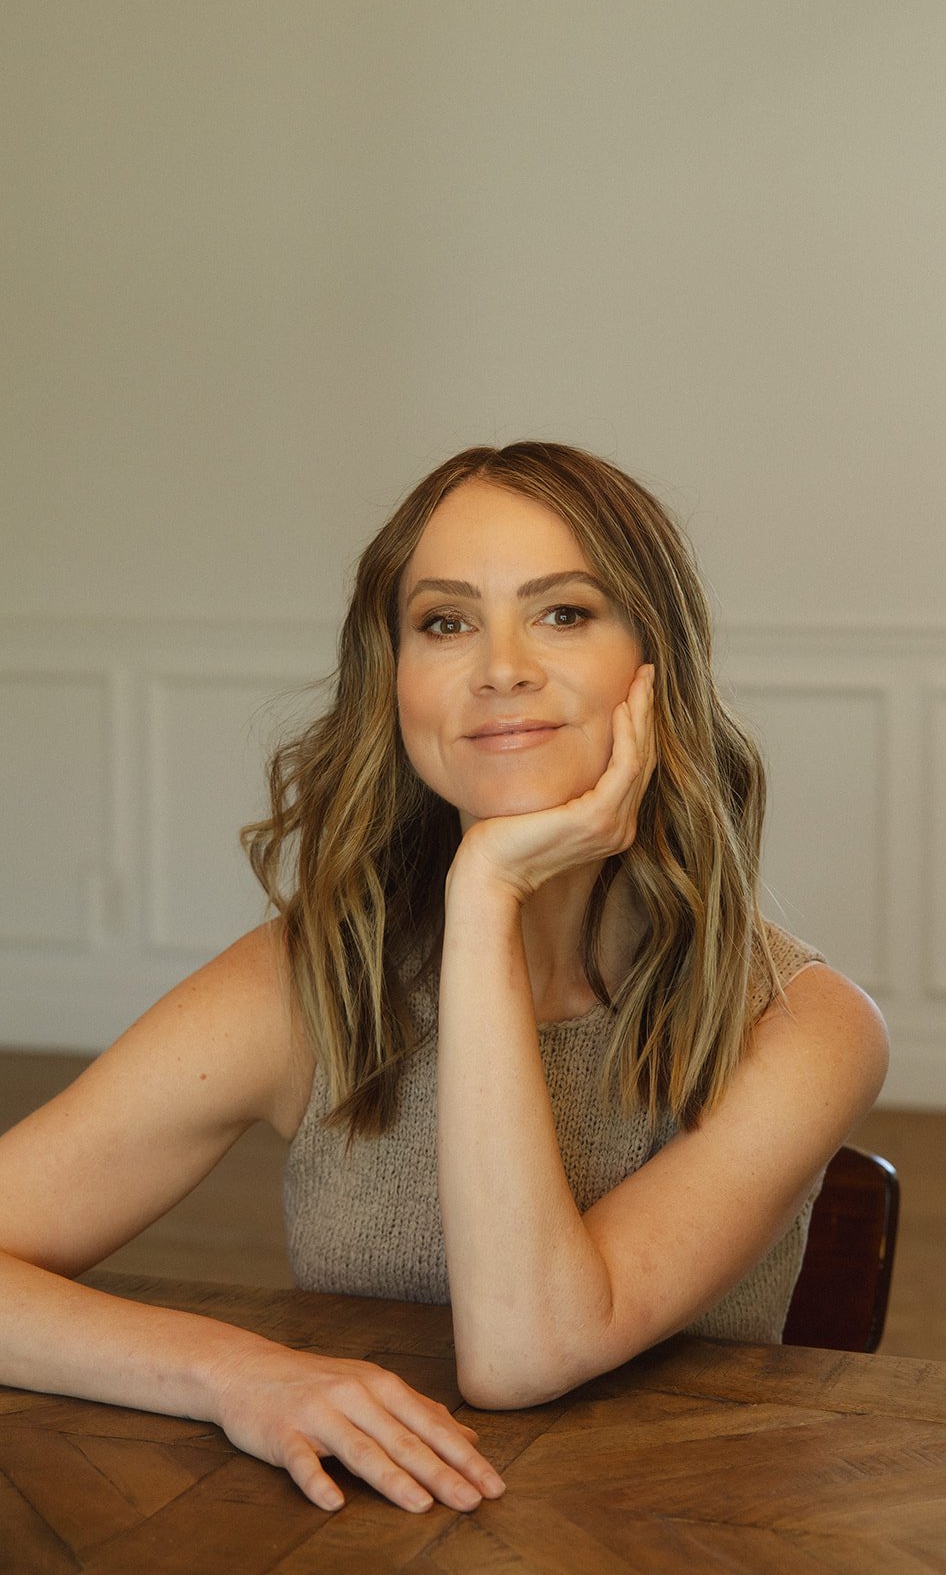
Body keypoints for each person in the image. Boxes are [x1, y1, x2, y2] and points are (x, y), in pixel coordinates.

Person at [0, 441, 888, 1517]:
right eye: (445, 621)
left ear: (655, 664)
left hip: (672, 1537)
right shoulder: (304, 979)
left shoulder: (799, 1024)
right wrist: (233, 1372)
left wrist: (483, 899)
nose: (499, 665)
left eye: (563, 612)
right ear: (395, 678)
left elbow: (522, 1352)